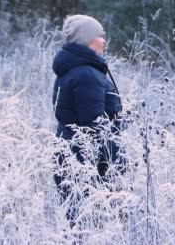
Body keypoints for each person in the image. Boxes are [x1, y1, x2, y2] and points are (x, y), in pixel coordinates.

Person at [52, 14, 125, 223]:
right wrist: (110, 167)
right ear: (88, 40)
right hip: (85, 164)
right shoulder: (86, 75)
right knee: (90, 227)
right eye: (100, 36)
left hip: (71, 158)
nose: (104, 40)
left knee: (78, 226)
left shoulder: (76, 70)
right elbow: (94, 128)